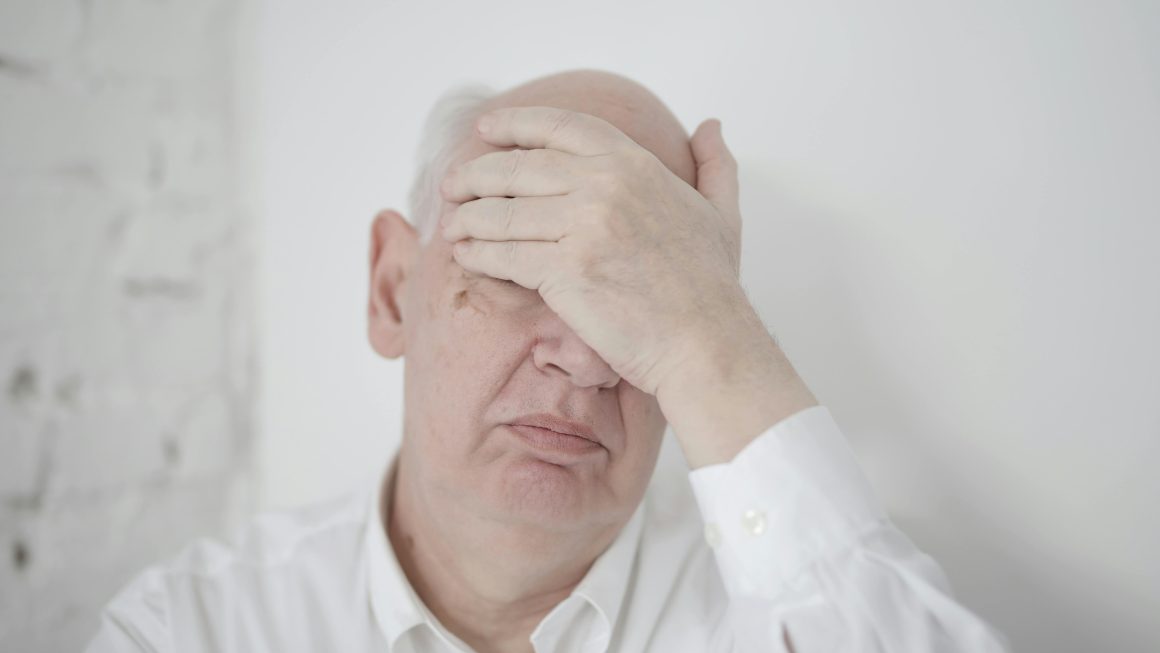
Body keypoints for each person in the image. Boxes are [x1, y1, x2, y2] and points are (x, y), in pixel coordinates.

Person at [86, 69, 1010, 653]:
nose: (585, 359)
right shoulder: (191, 630)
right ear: (392, 288)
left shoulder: (784, 610)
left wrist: (712, 340)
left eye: (641, 292)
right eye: (520, 263)